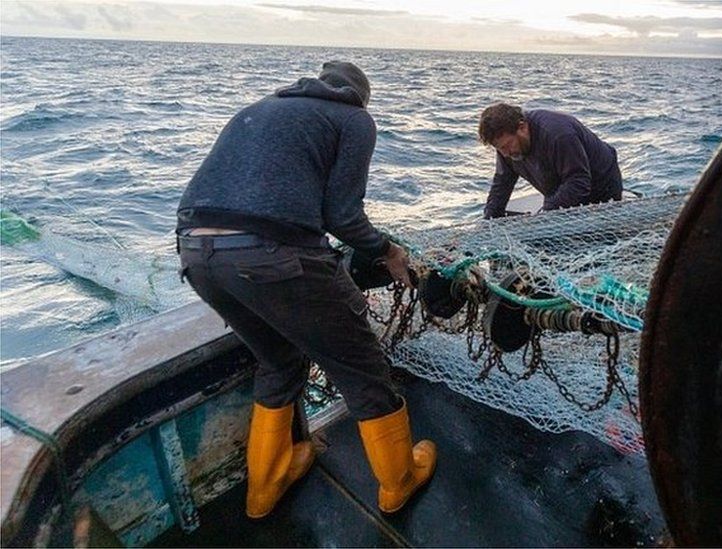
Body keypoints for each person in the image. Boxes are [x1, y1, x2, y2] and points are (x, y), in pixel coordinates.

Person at [175, 61, 436, 518]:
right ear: (359, 96)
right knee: (361, 365)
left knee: (278, 360)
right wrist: (387, 251)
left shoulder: (258, 108)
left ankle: (264, 489)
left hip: (196, 253)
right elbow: (342, 216)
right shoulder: (354, 119)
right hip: (272, 255)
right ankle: (398, 482)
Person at [478, 103, 623, 218]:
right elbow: (502, 184)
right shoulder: (507, 150)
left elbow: (578, 182)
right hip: (558, 187)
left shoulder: (558, 134)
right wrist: (489, 221)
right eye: (500, 149)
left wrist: (545, 215)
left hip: (602, 186)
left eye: (507, 146)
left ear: (521, 127)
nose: (505, 153)